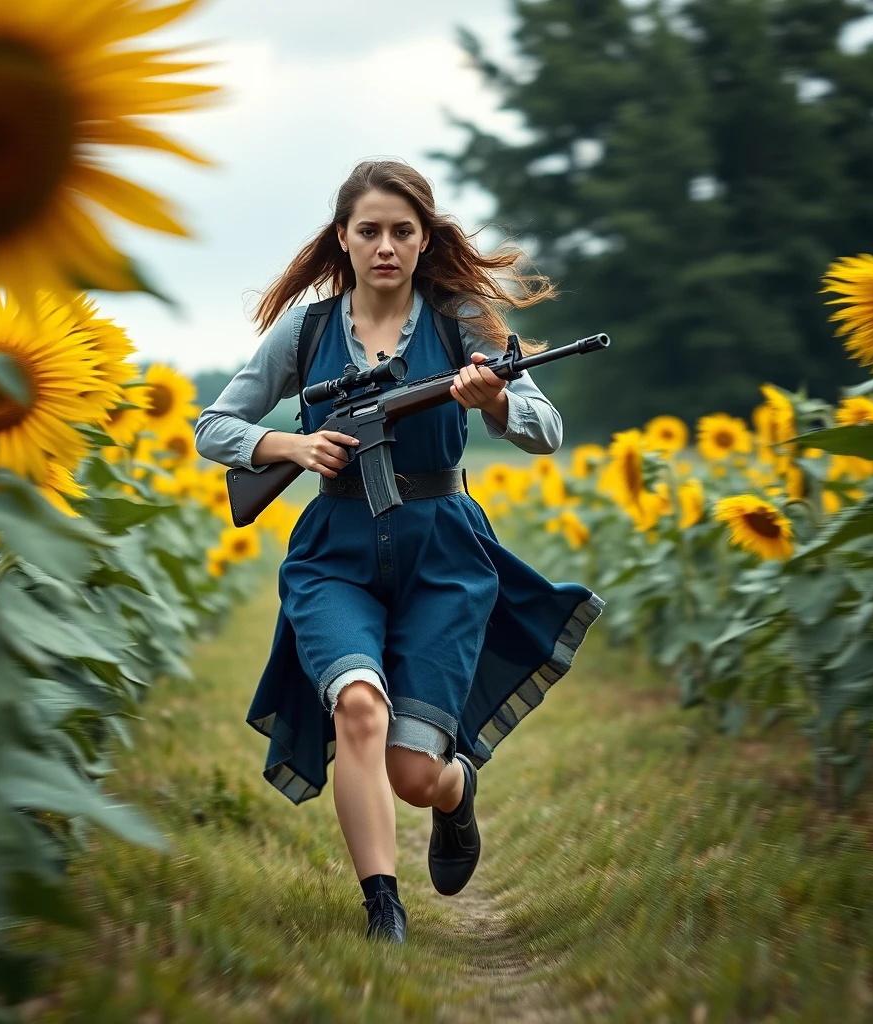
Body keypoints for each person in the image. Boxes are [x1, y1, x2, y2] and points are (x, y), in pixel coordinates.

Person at [195, 159, 604, 944]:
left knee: (414, 772)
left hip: (443, 553)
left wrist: (499, 401)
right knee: (356, 706)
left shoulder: (462, 320)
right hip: (333, 555)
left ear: (424, 240)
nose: (386, 246)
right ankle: (383, 906)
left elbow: (545, 431)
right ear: (343, 239)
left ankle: (456, 793)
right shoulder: (306, 330)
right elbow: (213, 426)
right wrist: (289, 443)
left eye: (402, 232)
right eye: (370, 230)